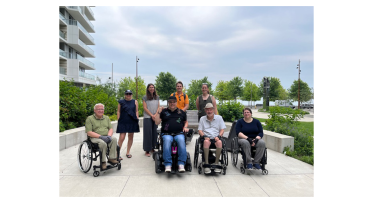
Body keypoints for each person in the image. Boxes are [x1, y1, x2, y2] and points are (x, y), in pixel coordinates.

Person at [154, 96, 189, 173]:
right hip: (167, 133)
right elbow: (157, 122)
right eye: (170, 102)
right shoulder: (164, 112)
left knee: (181, 140)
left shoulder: (181, 112)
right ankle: (168, 164)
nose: (172, 103)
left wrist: (185, 127)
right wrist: (159, 111)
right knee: (167, 141)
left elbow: (185, 121)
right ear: (168, 103)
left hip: (179, 133)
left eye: (174, 102)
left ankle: (181, 164)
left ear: (176, 103)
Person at [85, 103, 119, 170]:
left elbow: (110, 129)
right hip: (95, 138)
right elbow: (89, 132)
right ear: (94, 110)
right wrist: (101, 137)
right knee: (102, 143)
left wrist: (109, 136)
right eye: (99, 109)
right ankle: (103, 162)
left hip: (106, 136)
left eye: (102, 109)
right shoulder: (89, 119)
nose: (101, 111)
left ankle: (112, 158)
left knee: (114, 139)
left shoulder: (106, 118)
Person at [198, 103, 226, 174]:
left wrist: (219, 136)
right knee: (206, 142)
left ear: (213, 110)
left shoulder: (219, 118)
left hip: (216, 137)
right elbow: (200, 130)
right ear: (205, 111)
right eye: (207, 110)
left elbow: (222, 129)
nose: (209, 111)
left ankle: (216, 163)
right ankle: (206, 164)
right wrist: (204, 136)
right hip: (206, 138)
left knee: (219, 142)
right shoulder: (202, 119)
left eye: (210, 109)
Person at [116, 90, 140, 159]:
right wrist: (119, 120)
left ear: (132, 94)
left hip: (132, 121)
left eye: (130, 94)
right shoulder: (121, 102)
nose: (128, 95)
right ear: (125, 94)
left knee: (130, 136)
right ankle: (117, 153)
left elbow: (136, 111)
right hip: (123, 122)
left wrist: (137, 119)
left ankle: (128, 152)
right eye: (127, 94)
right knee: (122, 137)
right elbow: (118, 111)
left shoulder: (135, 102)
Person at [142, 83, 160, 157]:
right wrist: (151, 115)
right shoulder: (145, 97)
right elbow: (145, 108)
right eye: (150, 87)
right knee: (148, 134)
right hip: (147, 117)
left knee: (154, 133)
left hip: (155, 117)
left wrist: (155, 115)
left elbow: (158, 107)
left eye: (153, 87)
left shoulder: (157, 97)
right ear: (148, 89)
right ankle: (147, 150)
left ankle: (153, 148)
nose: (152, 88)